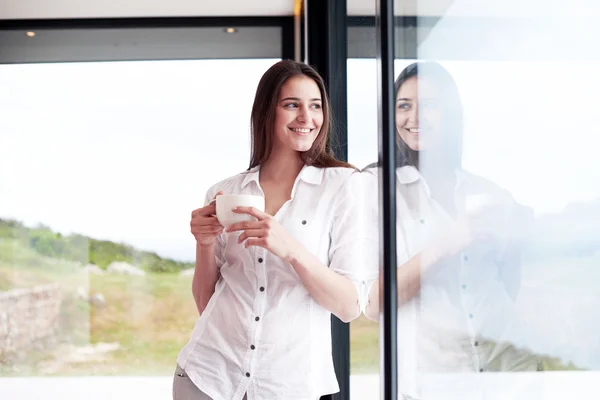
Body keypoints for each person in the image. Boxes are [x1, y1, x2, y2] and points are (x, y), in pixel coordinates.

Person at [174, 60, 365, 400]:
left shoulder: (342, 186)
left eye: (315, 106)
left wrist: (291, 249)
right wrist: (204, 244)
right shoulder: (226, 191)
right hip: (208, 377)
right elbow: (206, 302)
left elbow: (349, 306)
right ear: (266, 112)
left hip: (289, 386)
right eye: (292, 105)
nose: (307, 118)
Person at [362, 61, 539, 399]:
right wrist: (448, 244)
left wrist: (515, 237)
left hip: (508, 370)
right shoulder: (374, 188)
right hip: (431, 378)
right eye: (404, 106)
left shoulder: (486, 191)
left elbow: (507, 280)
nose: (415, 118)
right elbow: (373, 303)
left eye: (430, 105)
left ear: (452, 114)